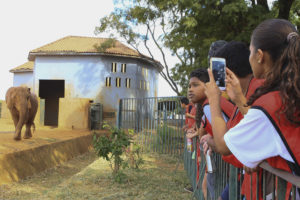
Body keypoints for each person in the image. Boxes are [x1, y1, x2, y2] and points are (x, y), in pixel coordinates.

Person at [205, 19, 300, 200]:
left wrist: (214, 100)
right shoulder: (289, 93)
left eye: (250, 51)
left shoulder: (270, 103)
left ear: (259, 56)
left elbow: (224, 146)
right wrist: (240, 100)